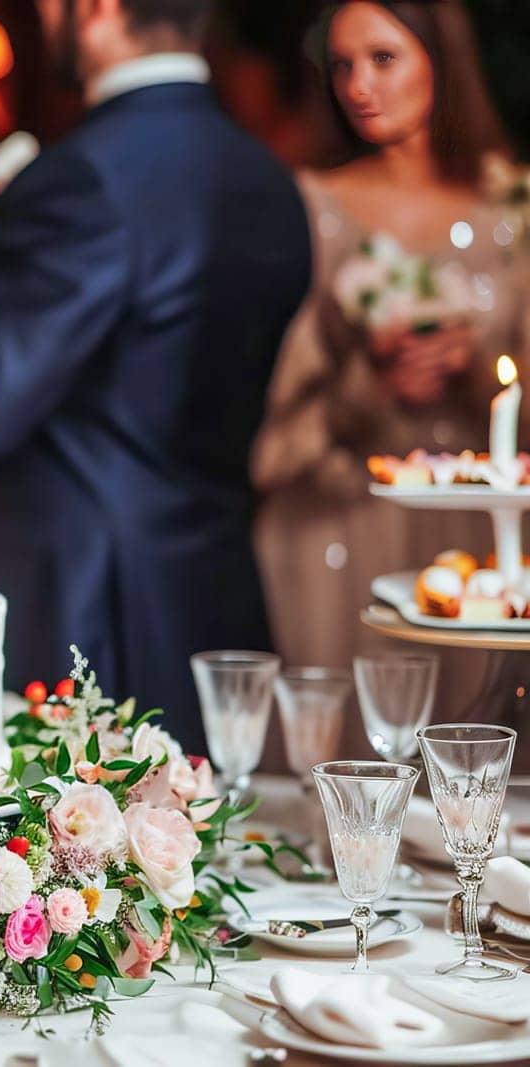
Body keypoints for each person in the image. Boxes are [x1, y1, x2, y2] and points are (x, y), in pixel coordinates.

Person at [0, 0, 312, 746]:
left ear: (98, 10)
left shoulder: (83, 176)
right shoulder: (269, 182)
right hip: (216, 597)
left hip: (87, 620)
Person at [253, 2, 525, 707]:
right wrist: (372, 382)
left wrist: (479, 360)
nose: (358, 87)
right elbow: (268, 387)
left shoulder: (510, 207)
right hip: (343, 514)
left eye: (382, 58)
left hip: (476, 518)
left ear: (441, 58)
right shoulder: (311, 203)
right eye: (342, 65)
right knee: (353, 746)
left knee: (469, 751)